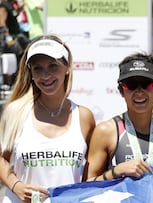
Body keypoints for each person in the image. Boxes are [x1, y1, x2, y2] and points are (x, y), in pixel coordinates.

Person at [0, 34, 96, 202]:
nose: (45, 75)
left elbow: (91, 176)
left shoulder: (84, 117)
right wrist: (16, 186)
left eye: (53, 66)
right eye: (38, 68)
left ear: (67, 68)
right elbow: (2, 159)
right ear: (30, 73)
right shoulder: (15, 112)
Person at [84, 52, 153, 181]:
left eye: (146, 84)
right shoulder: (106, 131)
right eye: (131, 84)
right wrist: (115, 172)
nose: (139, 91)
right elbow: (86, 185)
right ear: (121, 90)